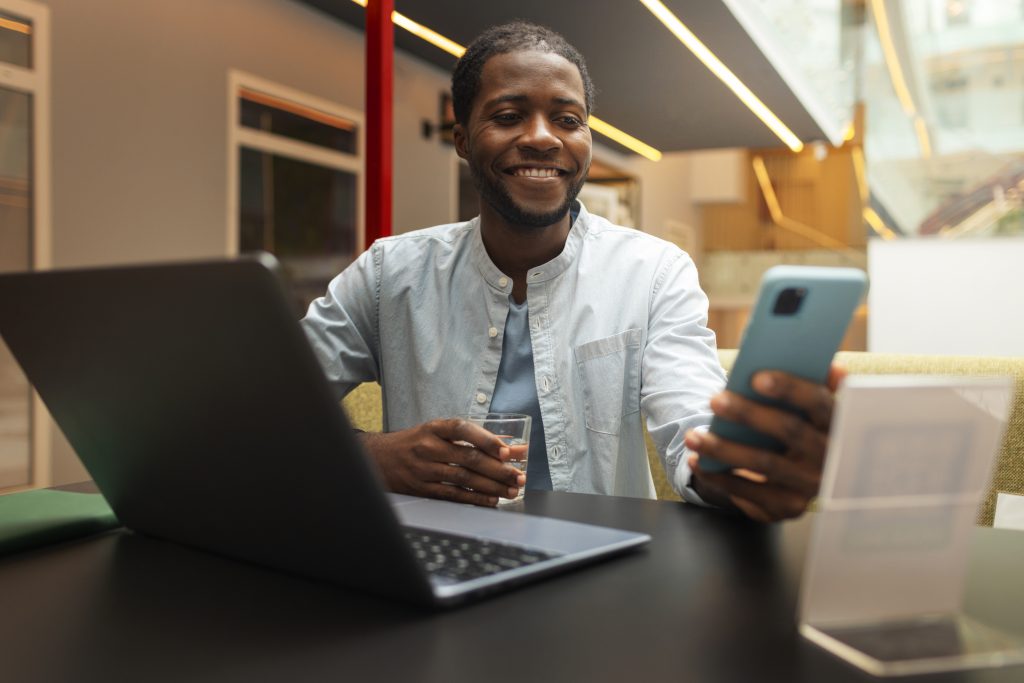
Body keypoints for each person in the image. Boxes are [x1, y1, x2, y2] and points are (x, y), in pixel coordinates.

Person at [301, 21, 843, 522]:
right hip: (432, 560)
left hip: (604, 573)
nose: (543, 137)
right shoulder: (387, 274)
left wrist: (745, 469)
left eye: (568, 119)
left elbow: (691, 429)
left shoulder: (654, 273)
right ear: (463, 138)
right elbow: (261, 412)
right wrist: (372, 456)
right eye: (509, 115)